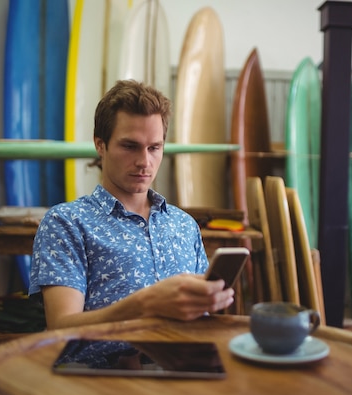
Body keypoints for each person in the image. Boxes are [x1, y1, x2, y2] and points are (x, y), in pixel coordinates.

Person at [29, 80, 234, 329]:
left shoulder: (184, 225)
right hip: (105, 368)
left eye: (154, 147)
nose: (144, 161)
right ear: (100, 145)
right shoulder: (66, 224)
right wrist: (144, 304)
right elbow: (62, 328)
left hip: (184, 364)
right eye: (130, 146)